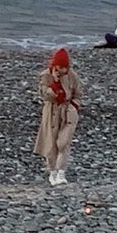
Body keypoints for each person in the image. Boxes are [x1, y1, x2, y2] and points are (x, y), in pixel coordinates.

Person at [33, 47, 82, 186]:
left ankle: (61, 172)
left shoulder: (73, 76)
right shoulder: (45, 76)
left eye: (65, 68)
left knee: (63, 142)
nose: (62, 71)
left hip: (68, 112)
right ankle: (53, 172)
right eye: (60, 67)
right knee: (51, 143)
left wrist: (74, 106)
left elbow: (78, 94)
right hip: (51, 111)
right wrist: (55, 83)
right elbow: (45, 94)